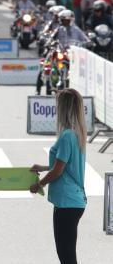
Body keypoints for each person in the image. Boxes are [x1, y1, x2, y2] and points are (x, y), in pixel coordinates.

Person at [30, 88, 87, 264]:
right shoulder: (76, 134)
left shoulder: (66, 136)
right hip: (74, 200)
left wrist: (39, 184)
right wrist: (44, 166)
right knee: (67, 253)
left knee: (66, 255)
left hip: (67, 202)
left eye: (58, 106)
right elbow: (64, 164)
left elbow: (58, 171)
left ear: (64, 109)